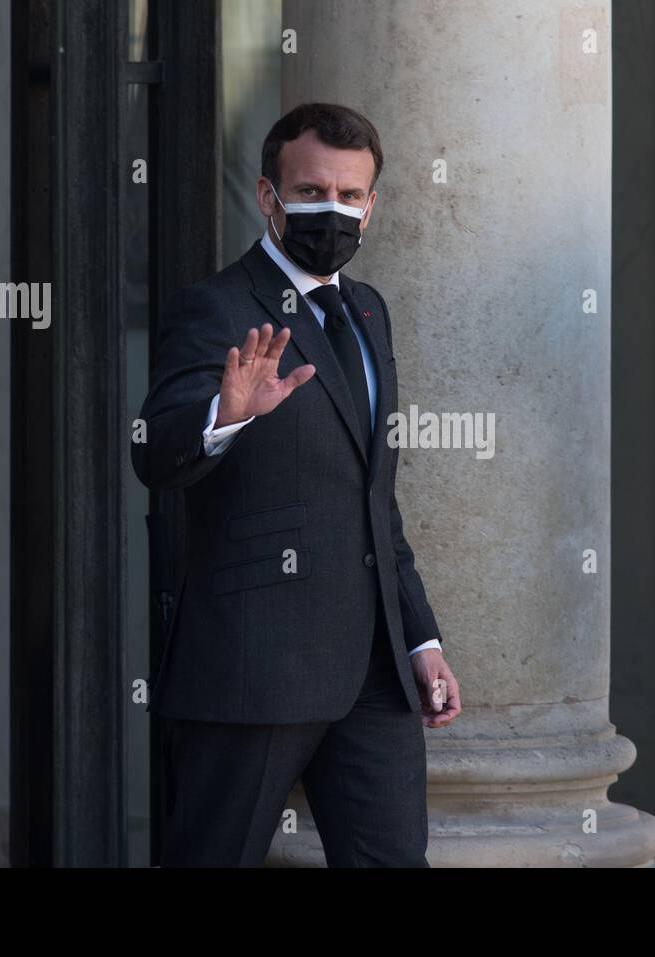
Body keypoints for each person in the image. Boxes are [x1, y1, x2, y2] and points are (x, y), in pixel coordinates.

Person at [132, 102, 461, 867]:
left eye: (350, 196)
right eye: (312, 191)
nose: (332, 211)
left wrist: (421, 635)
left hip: (375, 674)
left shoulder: (370, 310)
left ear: (372, 205)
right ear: (268, 197)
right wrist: (225, 412)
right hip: (253, 666)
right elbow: (155, 452)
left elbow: (376, 498)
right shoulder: (215, 307)